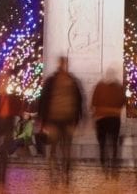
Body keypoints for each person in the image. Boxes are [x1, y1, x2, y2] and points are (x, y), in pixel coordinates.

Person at [38, 56, 84, 184]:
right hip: (55, 119)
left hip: (67, 119)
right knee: (55, 148)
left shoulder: (71, 81)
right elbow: (44, 100)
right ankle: (57, 172)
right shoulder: (53, 81)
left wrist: (78, 118)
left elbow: (79, 100)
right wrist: (42, 119)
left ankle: (65, 172)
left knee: (66, 149)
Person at [91, 68, 125, 178]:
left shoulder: (100, 86)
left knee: (103, 145)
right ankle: (114, 168)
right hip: (114, 118)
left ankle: (104, 166)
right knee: (113, 144)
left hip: (101, 118)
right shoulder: (118, 87)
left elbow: (94, 102)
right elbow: (123, 101)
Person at [0, 74, 23, 183]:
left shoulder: (11, 98)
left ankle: (2, 174)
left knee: (3, 151)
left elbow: (15, 111)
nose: (2, 84)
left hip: (7, 126)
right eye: (0, 82)